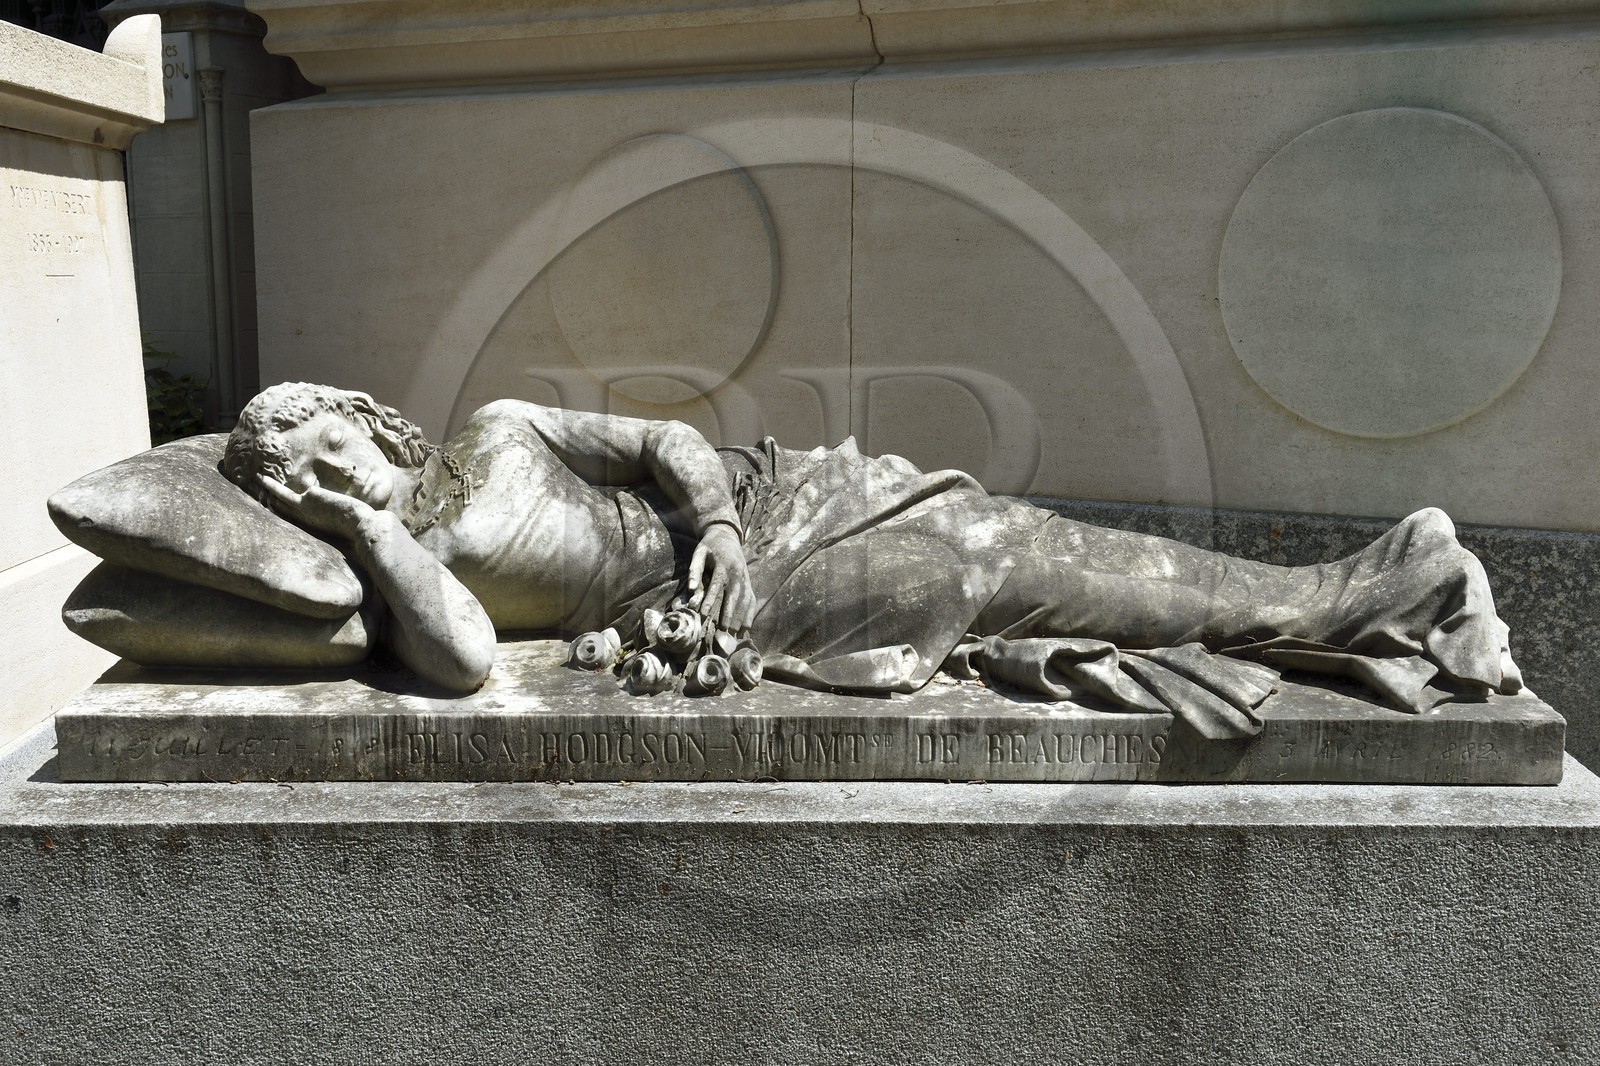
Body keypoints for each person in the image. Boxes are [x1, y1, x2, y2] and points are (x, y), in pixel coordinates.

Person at [223, 382, 1522, 738]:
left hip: (766, 513)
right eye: (297, 478)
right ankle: (1359, 600)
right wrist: (368, 529)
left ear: (364, 411)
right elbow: (453, 663)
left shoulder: (499, 428)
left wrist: (723, 523)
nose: (324, 471)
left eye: (324, 440)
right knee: (1009, 565)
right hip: (737, 611)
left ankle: (1362, 588)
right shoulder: (397, 569)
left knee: (1030, 535)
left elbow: (666, 436)